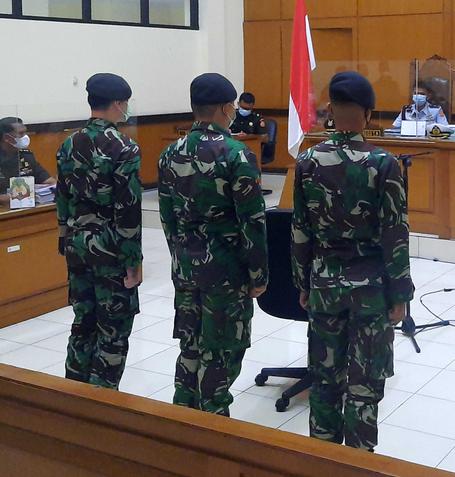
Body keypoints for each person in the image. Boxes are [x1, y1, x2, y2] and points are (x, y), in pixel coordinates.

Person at [292, 71, 413, 452]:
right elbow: (396, 235)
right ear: (369, 114)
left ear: (330, 110)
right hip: (371, 291)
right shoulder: (384, 164)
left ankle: (321, 463)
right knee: (363, 385)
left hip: (324, 286)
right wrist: (401, 293)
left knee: (324, 381)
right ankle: (359, 469)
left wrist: (303, 285)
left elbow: (300, 231)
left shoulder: (308, 161)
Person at [158, 72, 268, 416]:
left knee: (190, 344)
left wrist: (180, 257)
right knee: (222, 349)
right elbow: (252, 221)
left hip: (186, 266)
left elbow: (166, 216)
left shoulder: (169, 153)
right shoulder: (236, 154)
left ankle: (182, 416)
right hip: (226, 270)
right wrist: (259, 273)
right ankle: (214, 424)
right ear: (225, 107)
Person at [56, 73, 142, 390]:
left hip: (77, 244)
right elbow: (128, 209)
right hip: (111, 250)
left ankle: (73, 393)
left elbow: (62, 197)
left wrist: (64, 240)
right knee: (113, 328)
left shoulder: (69, 143)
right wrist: (134, 262)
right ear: (118, 104)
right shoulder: (124, 147)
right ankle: (103, 402)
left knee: (83, 322)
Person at [0, 117, 55, 206]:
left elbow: (50, 182)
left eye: (25, 132)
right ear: (6, 137)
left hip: (26, 206)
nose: (25, 137)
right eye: (20, 134)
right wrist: (9, 198)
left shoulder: (26, 155)